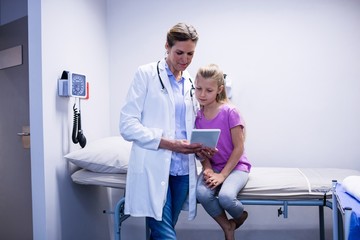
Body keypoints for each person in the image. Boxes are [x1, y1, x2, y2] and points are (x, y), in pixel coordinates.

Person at [119, 23, 214, 240]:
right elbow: (127, 125)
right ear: (167, 47)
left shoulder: (191, 82)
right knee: (165, 235)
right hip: (154, 166)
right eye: (179, 52)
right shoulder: (146, 74)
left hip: (182, 170)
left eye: (190, 54)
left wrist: (201, 146)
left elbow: (191, 123)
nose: (185, 59)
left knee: (163, 231)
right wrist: (170, 144)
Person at [194, 64, 251, 240]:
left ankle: (240, 217)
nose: (202, 94)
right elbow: (200, 149)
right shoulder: (197, 115)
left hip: (236, 167)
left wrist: (223, 175)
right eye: (198, 88)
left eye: (208, 90)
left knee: (226, 198)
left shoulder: (230, 112)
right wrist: (208, 169)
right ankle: (227, 226)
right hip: (214, 167)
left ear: (219, 89)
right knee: (202, 194)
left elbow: (239, 148)